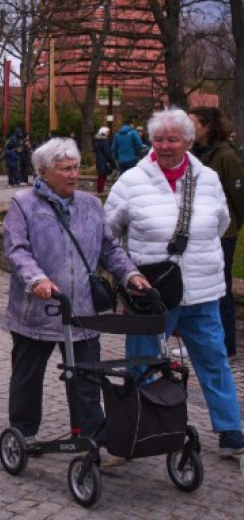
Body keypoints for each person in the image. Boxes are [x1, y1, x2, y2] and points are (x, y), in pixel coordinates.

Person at [105, 107, 244, 458]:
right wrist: (127, 275)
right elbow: (108, 233)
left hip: (202, 291)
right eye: (158, 139)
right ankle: (138, 428)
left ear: (188, 141)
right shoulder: (132, 181)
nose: (165, 146)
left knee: (213, 360)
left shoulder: (208, 179)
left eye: (173, 139)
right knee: (142, 363)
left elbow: (221, 222)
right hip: (152, 295)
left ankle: (231, 430)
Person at [4, 137, 149, 465]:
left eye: (76, 167)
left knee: (86, 376)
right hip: (37, 311)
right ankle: (23, 431)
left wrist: (130, 275)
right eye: (65, 169)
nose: (74, 174)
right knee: (28, 376)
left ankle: (91, 436)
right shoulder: (23, 203)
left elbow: (109, 248)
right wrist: (37, 279)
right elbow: (17, 250)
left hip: (81, 311)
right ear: (43, 172)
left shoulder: (90, 205)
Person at [188, 106, 244, 357]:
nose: (189, 128)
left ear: (208, 126)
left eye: (194, 123)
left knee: (220, 288)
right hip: (198, 232)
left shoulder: (225, 157)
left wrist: (232, 226)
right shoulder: (195, 154)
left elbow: (239, 197)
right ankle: (204, 341)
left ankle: (226, 345)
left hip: (223, 233)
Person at [93, 126, 113, 194]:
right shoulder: (104, 141)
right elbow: (107, 152)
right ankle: (100, 191)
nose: (108, 134)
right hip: (104, 161)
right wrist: (111, 160)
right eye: (107, 132)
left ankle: (99, 190)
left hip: (99, 160)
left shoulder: (97, 141)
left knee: (100, 176)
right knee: (103, 176)